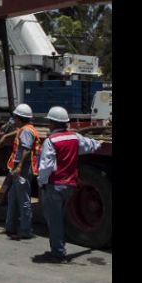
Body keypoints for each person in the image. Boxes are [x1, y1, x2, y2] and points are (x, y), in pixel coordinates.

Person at [35, 106, 102, 263]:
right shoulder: (75, 137)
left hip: (54, 185)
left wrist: (41, 182)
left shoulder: (51, 141)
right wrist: (98, 143)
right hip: (70, 185)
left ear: (53, 123)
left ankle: (58, 253)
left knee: (54, 220)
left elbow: (46, 167)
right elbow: (91, 145)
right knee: (60, 218)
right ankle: (59, 248)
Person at [0, 104, 40, 240]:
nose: (13, 119)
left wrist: (19, 167)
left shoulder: (26, 131)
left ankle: (26, 230)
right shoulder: (26, 128)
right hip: (18, 168)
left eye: (15, 117)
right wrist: (7, 136)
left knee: (23, 200)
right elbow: (19, 133)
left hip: (24, 168)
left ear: (19, 118)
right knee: (12, 197)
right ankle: (10, 227)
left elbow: (26, 149)